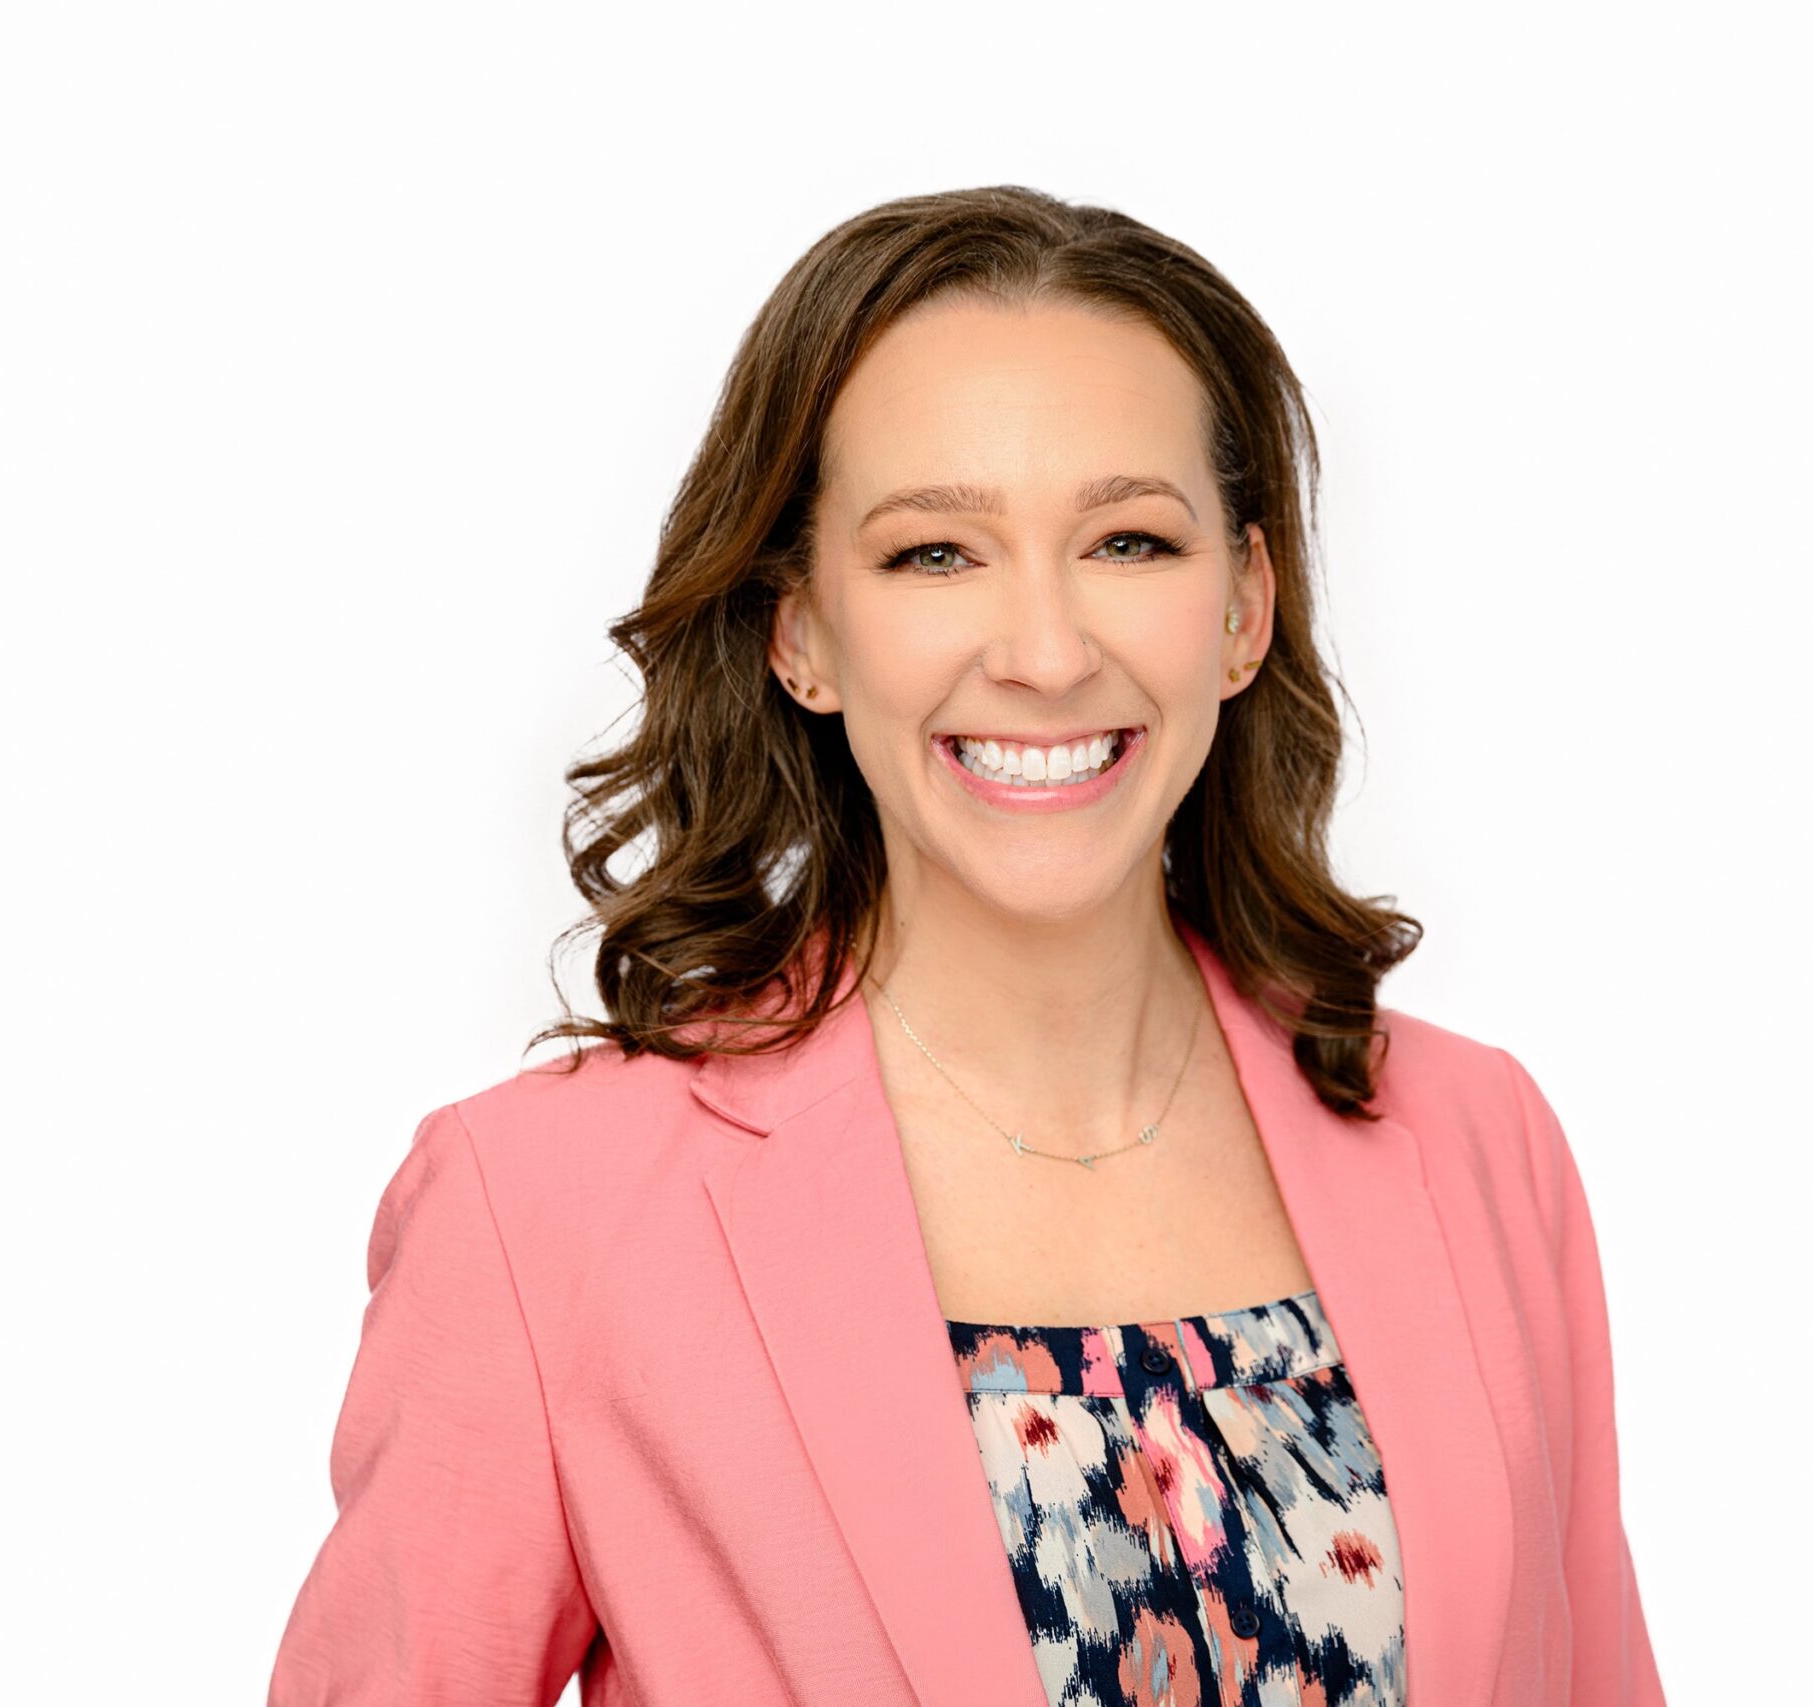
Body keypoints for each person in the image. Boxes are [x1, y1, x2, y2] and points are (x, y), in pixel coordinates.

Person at [266, 184, 1664, 1707]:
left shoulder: (1480, 1142)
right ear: (801, 630)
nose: (1046, 654)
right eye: (935, 555)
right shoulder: (541, 1212)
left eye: (1129, 541)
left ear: (1245, 607)